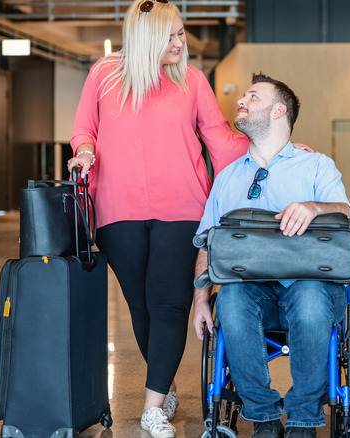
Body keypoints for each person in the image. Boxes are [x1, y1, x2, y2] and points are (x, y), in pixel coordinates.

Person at [67, 2, 307, 437]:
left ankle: (152, 406)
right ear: (146, 39)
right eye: (172, 36)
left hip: (182, 209)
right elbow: (85, 128)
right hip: (117, 209)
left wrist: (283, 146)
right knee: (140, 306)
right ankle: (166, 381)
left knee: (170, 304)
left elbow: (221, 140)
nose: (181, 43)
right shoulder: (104, 75)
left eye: (182, 34)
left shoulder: (192, 81)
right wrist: (84, 152)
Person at [192, 73, 350, 438]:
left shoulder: (316, 166)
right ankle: (263, 417)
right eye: (244, 96)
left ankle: (303, 419)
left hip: (308, 285)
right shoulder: (228, 177)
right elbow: (207, 241)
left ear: (280, 111)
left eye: (253, 96)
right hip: (252, 289)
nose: (242, 101)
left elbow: (344, 211)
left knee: (311, 299)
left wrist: (314, 207)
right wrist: (201, 300)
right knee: (229, 299)